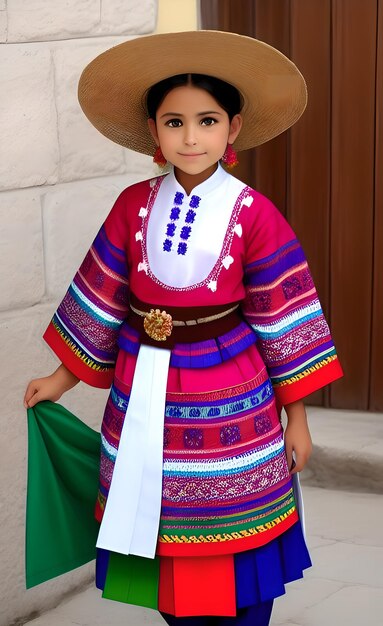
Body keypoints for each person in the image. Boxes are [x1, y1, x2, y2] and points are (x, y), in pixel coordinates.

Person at [24, 30, 343, 626]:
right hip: (143, 387)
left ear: (234, 129)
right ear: (153, 132)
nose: (191, 137)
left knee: (238, 521)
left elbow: (286, 318)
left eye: (207, 120)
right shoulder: (130, 206)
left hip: (233, 395)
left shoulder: (255, 215)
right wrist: (61, 378)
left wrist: (297, 418)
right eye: (174, 122)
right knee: (158, 514)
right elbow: (102, 299)